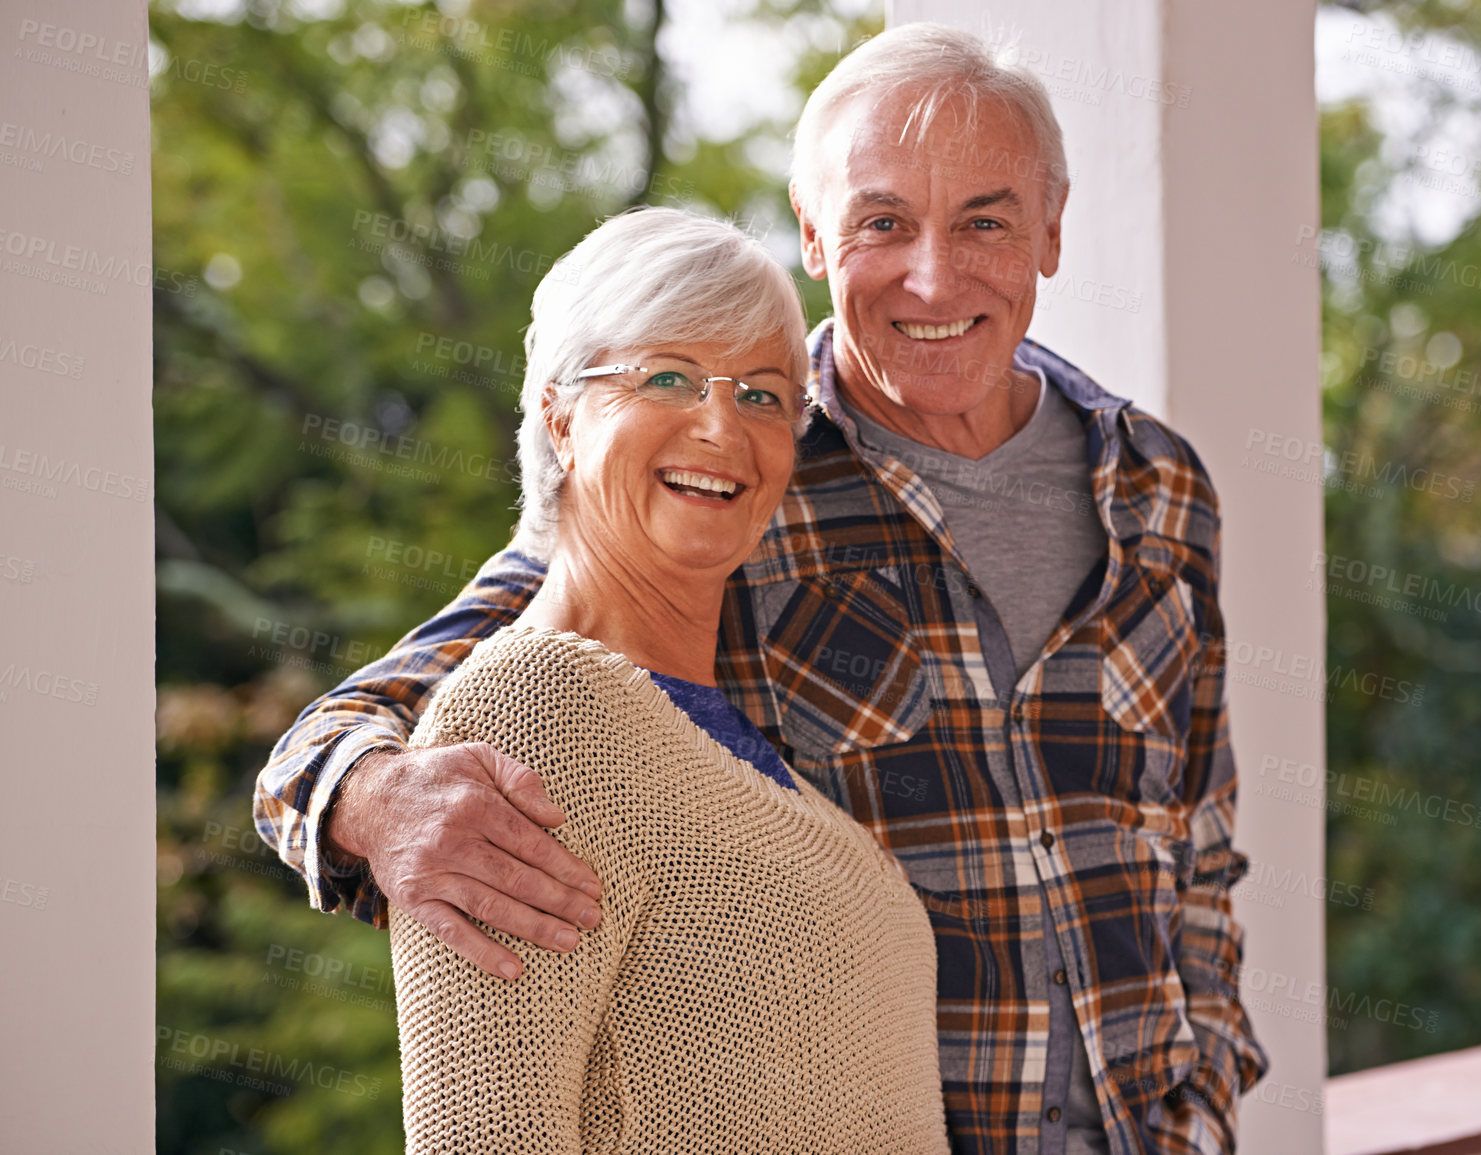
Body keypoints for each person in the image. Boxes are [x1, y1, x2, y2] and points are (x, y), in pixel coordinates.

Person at [257, 22, 1267, 1155]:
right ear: (816, 235)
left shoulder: (1161, 487)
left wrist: (1206, 1100)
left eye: (985, 219)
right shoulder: (733, 479)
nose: (935, 276)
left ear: (1051, 229)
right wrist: (367, 800)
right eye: (884, 222)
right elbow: (394, 711)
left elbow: (1200, 848)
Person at [385, 206, 948, 1153]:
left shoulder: (753, 758)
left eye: (765, 396)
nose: (721, 426)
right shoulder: (538, 705)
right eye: (668, 378)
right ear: (560, 418)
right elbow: (480, 1136)